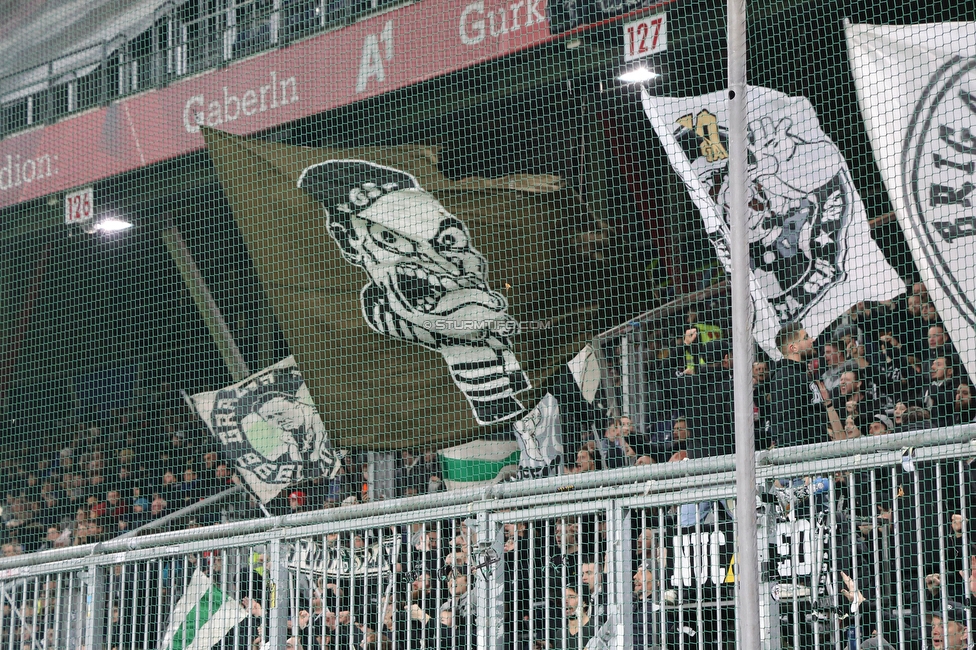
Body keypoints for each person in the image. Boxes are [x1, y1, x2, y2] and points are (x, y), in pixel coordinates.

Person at [769, 323, 844, 447]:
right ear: (793, 348)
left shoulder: (804, 374)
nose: (811, 340)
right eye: (806, 338)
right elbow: (787, 420)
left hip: (818, 449)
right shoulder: (785, 376)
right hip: (804, 456)